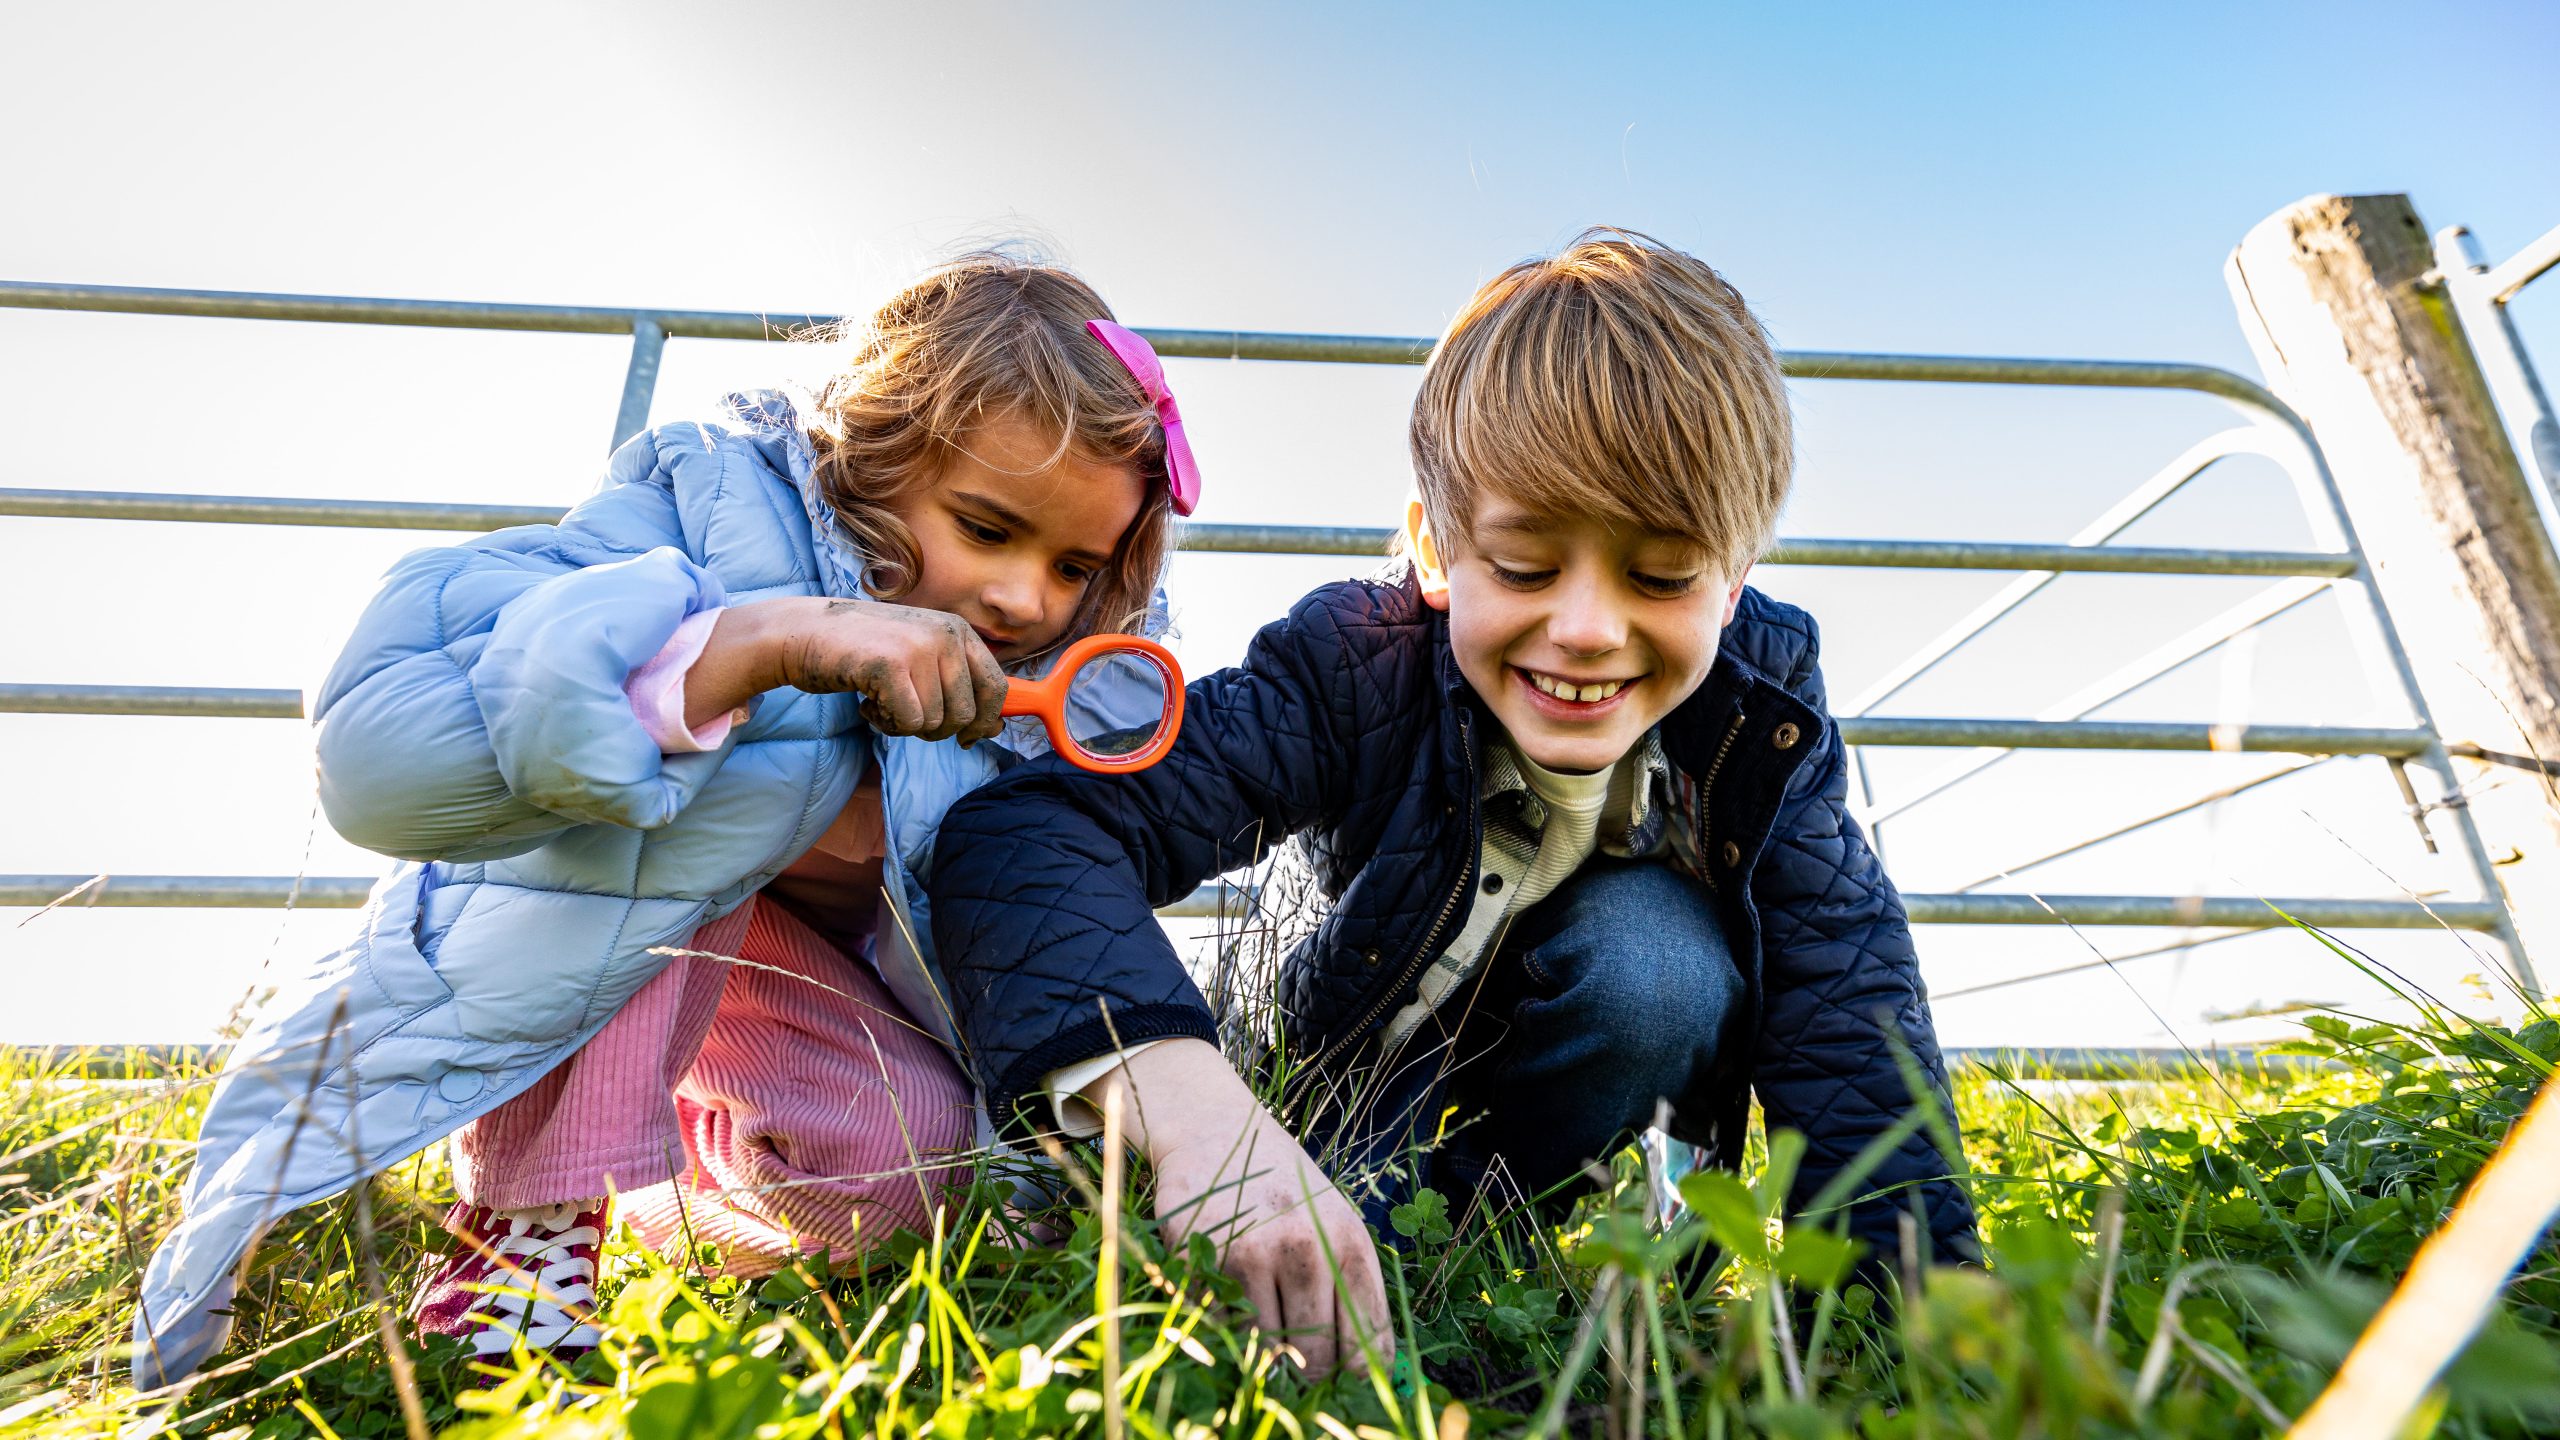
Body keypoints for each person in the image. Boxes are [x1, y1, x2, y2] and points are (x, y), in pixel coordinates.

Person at [926, 230, 1981, 1381]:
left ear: (1733, 577)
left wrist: (1917, 1337)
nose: (1585, 627)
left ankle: (1547, 1265)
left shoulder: (1760, 708)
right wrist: (1197, 1110)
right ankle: (1385, 1241)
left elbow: (1845, 991)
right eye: (1526, 566)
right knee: (1293, 1327)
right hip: (1357, 1104)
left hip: (1589, 1110)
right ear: (1435, 547)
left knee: (1658, 964)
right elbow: (1028, 833)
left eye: (1663, 576)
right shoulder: (1354, 664)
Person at [130, 253, 1200, 1387]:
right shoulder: (707, 523)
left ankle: (662, 1187)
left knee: (916, 1170)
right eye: (987, 529)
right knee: (695, 843)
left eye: (1074, 565)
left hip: (780, 993)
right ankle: (527, 1236)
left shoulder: (1047, 690)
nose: (1028, 598)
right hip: (592, 922)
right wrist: (757, 646)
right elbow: (381, 759)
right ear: (875, 461)